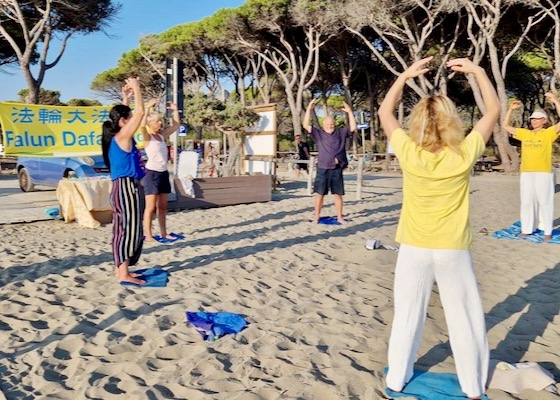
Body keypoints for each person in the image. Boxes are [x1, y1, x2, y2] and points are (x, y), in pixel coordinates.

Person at [378, 57, 500, 400]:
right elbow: (492, 109)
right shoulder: (464, 153)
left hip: (414, 248)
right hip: (452, 249)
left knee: (407, 316)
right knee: (464, 319)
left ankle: (396, 381)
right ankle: (473, 387)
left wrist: (403, 76)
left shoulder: (408, 151)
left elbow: (385, 114)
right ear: (451, 121)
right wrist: (477, 72)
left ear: (417, 122)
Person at [101, 78, 146, 285]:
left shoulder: (116, 136)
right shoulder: (122, 137)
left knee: (124, 228)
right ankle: (123, 272)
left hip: (124, 187)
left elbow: (126, 115)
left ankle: (122, 270)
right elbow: (140, 114)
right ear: (123, 122)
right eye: (127, 119)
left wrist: (125, 98)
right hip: (126, 187)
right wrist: (137, 89)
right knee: (128, 229)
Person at [502, 95, 560, 241]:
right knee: (527, 201)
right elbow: (505, 126)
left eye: (537, 119)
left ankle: (547, 230)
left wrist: (555, 101)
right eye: (532, 119)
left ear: (544, 121)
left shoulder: (548, 133)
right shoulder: (525, 133)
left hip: (543, 172)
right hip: (527, 172)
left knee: (544, 201)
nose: (534, 121)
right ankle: (527, 229)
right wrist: (510, 109)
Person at [303, 99, 357, 224]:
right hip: (323, 168)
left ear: (334, 124)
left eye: (331, 124)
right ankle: (316, 216)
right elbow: (306, 125)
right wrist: (309, 109)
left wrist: (349, 112)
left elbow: (353, 127)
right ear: (323, 125)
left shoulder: (341, 133)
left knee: (338, 194)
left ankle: (339, 217)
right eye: (327, 124)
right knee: (320, 194)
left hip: (337, 169)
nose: (330, 126)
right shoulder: (318, 134)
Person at [141, 98, 181, 242]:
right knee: (150, 207)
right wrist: (147, 108)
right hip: (152, 174)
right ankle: (148, 235)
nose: (160, 123)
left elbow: (176, 125)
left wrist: (175, 111)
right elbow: (141, 125)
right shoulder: (147, 137)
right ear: (150, 123)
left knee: (163, 206)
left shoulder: (161, 136)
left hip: (163, 172)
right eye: (157, 121)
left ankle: (164, 233)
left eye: (160, 121)